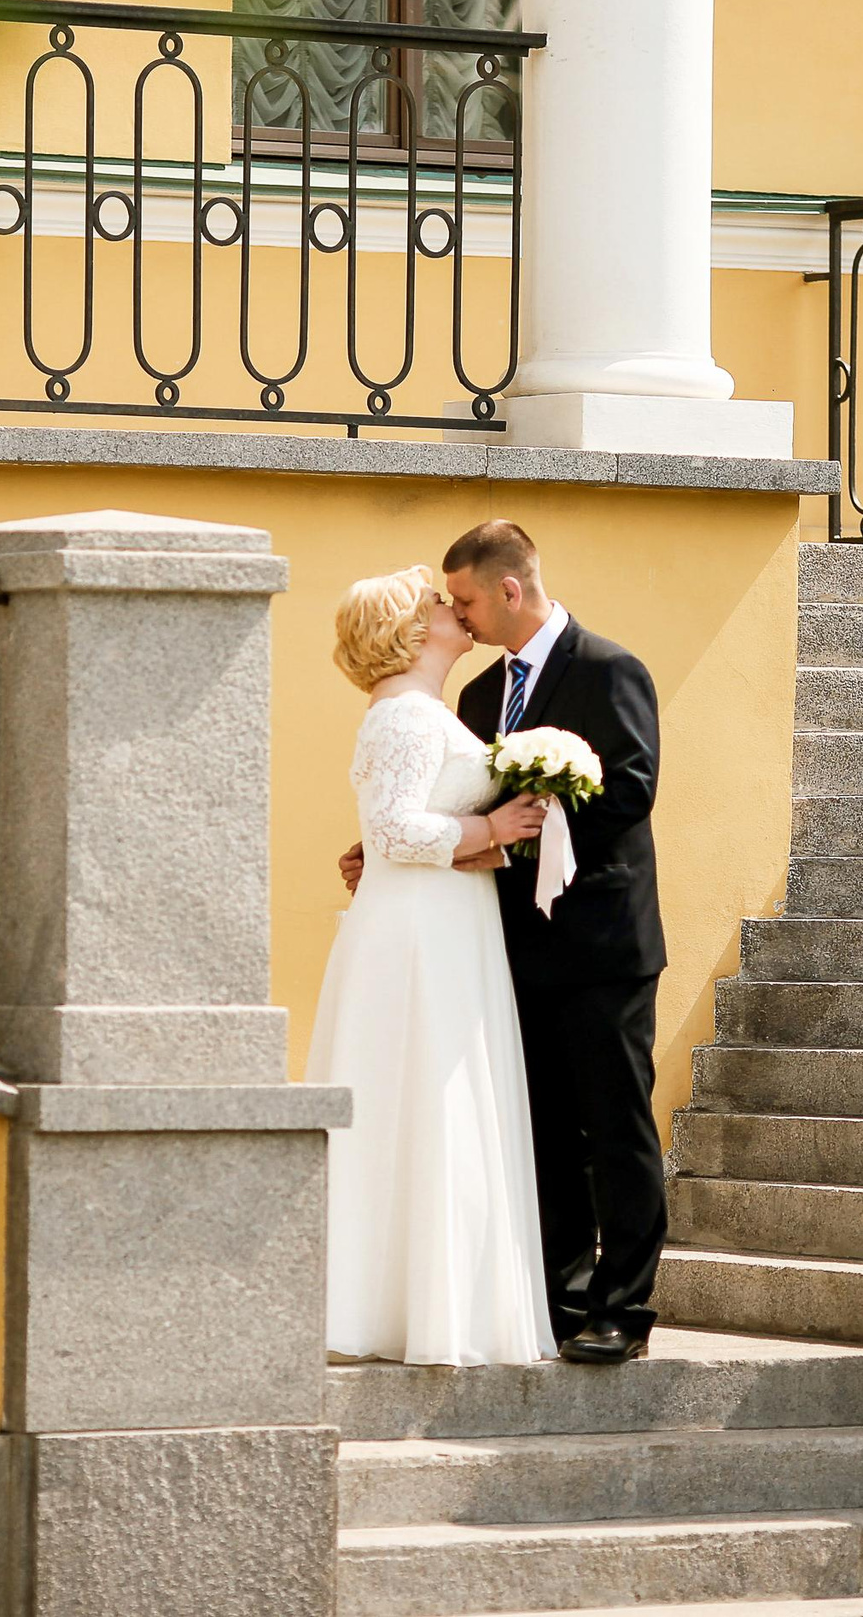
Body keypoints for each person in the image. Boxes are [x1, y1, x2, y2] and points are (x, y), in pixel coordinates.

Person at [341, 522, 668, 1365]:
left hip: (602, 942)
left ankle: (622, 1309)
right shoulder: (478, 699)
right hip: (505, 941)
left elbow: (629, 791)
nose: (461, 613)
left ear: (509, 591)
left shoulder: (609, 668)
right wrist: (424, 840)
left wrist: (514, 831)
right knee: (543, 1129)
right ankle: (557, 1301)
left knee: (615, 1124)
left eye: (468, 600)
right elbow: (436, 802)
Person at [309, 566, 556, 1366]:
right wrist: (494, 829)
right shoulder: (408, 716)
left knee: (429, 1099)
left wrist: (481, 841)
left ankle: (434, 1305)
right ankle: (407, 1311)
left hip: (443, 918)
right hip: (419, 937)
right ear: (410, 631)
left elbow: (399, 833)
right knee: (422, 1096)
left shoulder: (422, 712)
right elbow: (394, 834)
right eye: (435, 603)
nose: (453, 608)